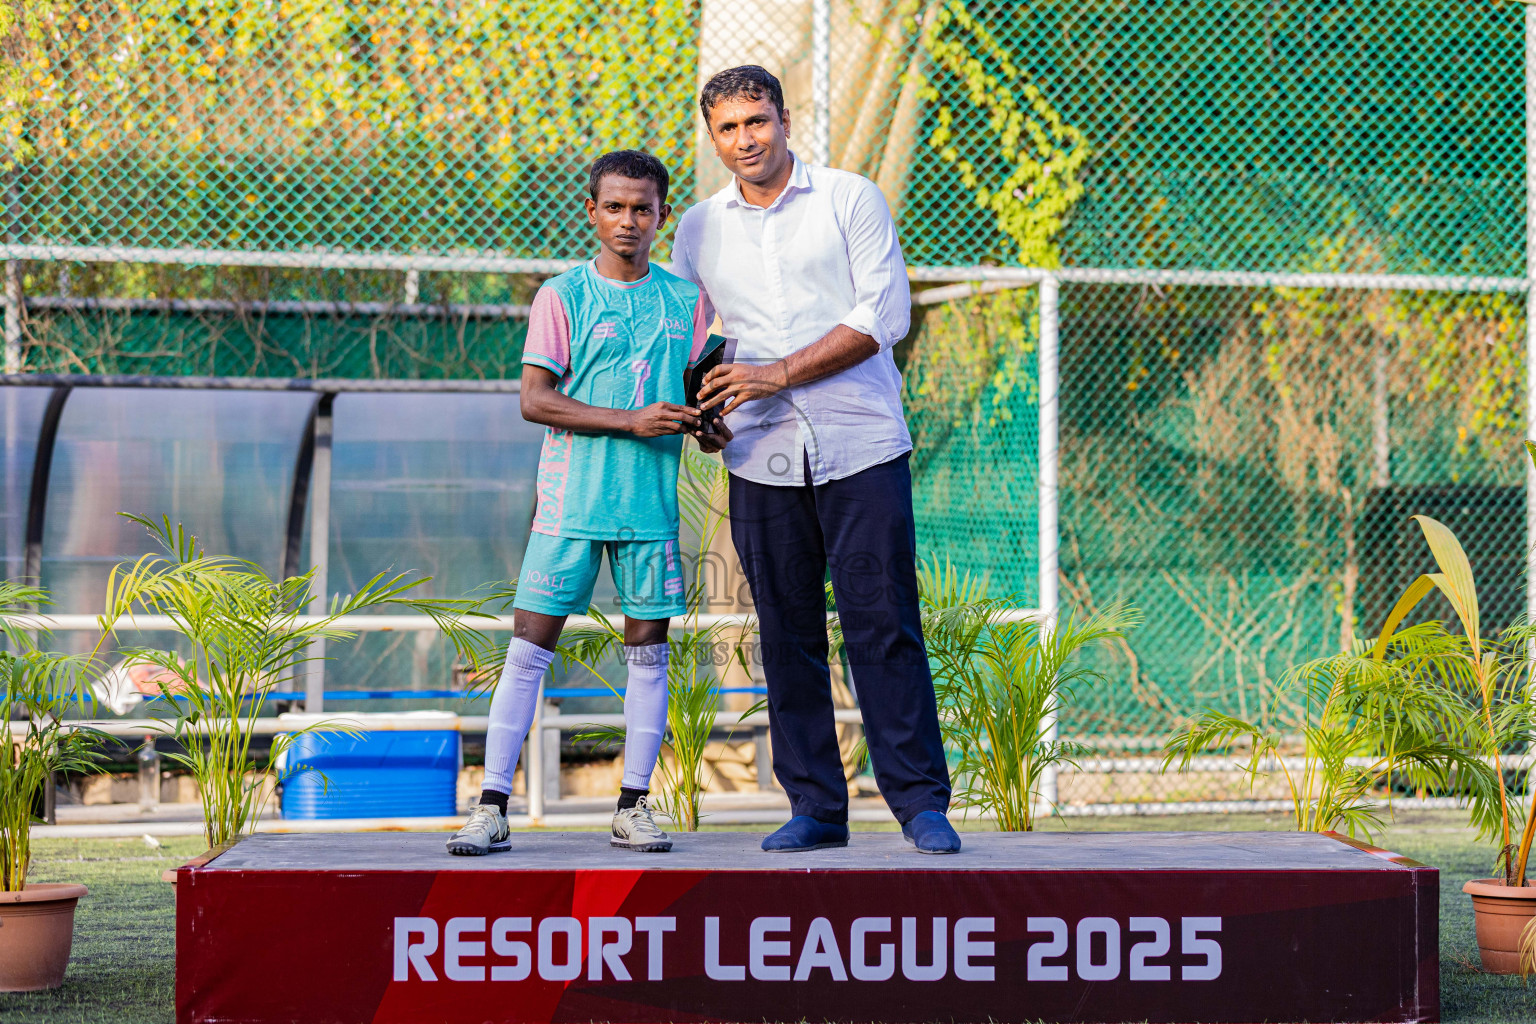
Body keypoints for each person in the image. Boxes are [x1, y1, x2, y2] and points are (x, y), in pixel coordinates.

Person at [672, 66, 960, 854]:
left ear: (785, 118)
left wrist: (774, 373)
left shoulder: (849, 198)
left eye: (756, 121)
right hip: (759, 457)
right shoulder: (698, 229)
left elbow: (883, 314)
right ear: (712, 134)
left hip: (861, 443)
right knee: (784, 631)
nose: (745, 140)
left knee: (882, 623)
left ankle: (919, 803)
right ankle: (815, 808)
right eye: (727, 128)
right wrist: (704, 418)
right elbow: (703, 343)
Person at [447, 150, 726, 856]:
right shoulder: (562, 295)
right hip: (570, 505)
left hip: (649, 511)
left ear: (664, 215)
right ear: (591, 212)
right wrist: (629, 419)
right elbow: (534, 400)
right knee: (528, 650)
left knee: (649, 654)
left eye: (643, 208)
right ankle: (491, 808)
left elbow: (705, 414)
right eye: (615, 207)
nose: (628, 220)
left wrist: (712, 427)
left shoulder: (688, 304)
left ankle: (633, 805)